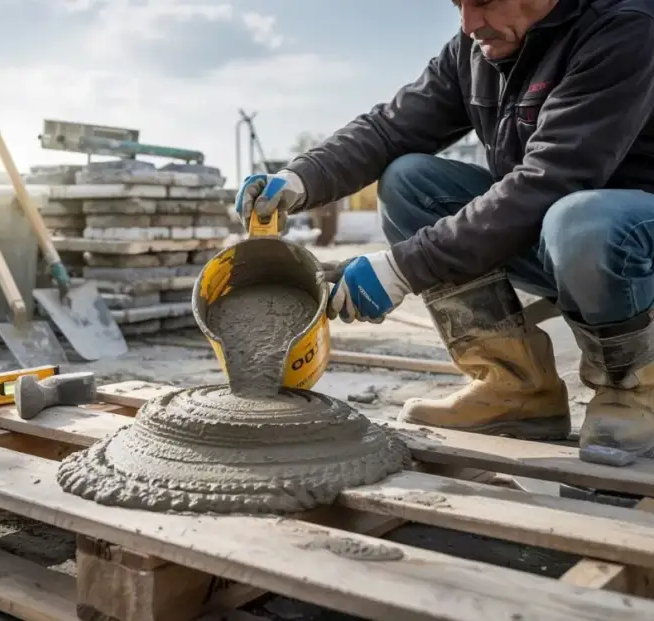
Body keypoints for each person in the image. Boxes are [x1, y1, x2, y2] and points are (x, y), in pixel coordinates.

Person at [235, 0, 654, 466]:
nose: (468, 23)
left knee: (582, 220)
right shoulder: (476, 49)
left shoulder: (626, 28)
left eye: (483, 1)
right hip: (557, 230)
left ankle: (631, 390)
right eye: (458, 3)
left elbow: (553, 178)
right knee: (408, 181)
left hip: (628, 237)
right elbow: (390, 129)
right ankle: (514, 386)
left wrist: (401, 268)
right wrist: (302, 178)